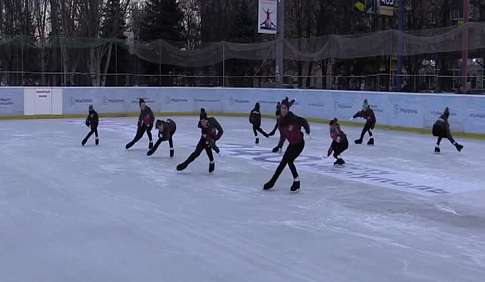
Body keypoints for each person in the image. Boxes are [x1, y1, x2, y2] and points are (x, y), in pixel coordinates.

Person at [263, 99, 310, 192]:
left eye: (285, 108)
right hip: (292, 144)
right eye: (282, 108)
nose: (283, 110)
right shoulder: (280, 121)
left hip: (299, 144)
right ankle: (272, 182)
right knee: (282, 164)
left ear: (288, 109)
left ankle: (297, 182)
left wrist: (307, 129)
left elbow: (303, 121)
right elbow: (283, 135)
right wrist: (279, 146)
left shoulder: (293, 118)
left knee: (289, 161)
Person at [176, 109, 224, 174]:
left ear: (207, 120)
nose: (202, 123)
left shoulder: (213, 120)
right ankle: (185, 164)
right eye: (201, 121)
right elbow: (207, 140)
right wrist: (216, 149)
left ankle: (212, 162)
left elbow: (221, 131)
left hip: (212, 138)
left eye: (203, 121)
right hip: (204, 139)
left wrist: (215, 139)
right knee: (196, 153)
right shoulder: (203, 128)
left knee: (209, 151)